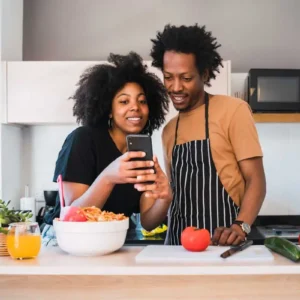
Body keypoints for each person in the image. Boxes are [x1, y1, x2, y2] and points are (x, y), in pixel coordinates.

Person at [150, 24, 266, 246]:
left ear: (203, 74)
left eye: (185, 78)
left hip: (225, 243)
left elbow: (256, 180)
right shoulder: (168, 130)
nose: (175, 87)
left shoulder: (233, 110)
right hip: (177, 246)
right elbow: (174, 193)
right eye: (168, 77)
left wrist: (241, 226)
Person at [42, 52, 172, 245]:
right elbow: (72, 215)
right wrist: (109, 177)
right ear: (109, 109)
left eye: (142, 101)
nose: (135, 107)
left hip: (113, 240)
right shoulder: (83, 139)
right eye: (124, 101)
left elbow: (148, 222)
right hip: (68, 241)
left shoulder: (140, 149)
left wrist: (165, 197)